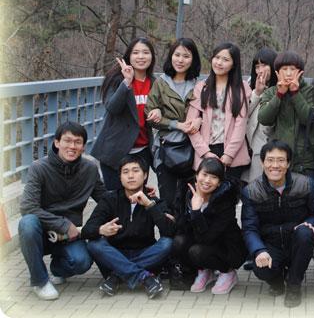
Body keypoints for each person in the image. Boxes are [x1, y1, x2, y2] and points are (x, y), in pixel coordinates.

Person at [18, 121, 105, 300]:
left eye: (78, 142)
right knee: (27, 223)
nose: (72, 146)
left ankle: (57, 269)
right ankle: (40, 281)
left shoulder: (89, 169)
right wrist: (63, 224)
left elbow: (105, 199)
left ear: (83, 146)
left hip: (70, 236)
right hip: (43, 232)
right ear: (57, 142)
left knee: (82, 262)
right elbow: (28, 206)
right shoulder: (39, 168)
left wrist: (134, 193)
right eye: (67, 141)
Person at [82, 154, 174, 299]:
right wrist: (101, 229)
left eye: (135, 171)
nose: (130, 176)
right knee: (94, 244)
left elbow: (169, 231)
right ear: (120, 177)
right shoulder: (110, 199)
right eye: (125, 172)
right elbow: (87, 230)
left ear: (145, 175)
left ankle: (117, 276)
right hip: (115, 254)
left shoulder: (154, 201)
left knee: (167, 243)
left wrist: (149, 205)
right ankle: (144, 277)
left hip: (146, 253)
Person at [241, 140, 314, 307]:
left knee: (306, 233)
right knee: (260, 267)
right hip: (271, 243)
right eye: (270, 160)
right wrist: (259, 250)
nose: (275, 165)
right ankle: (276, 282)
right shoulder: (251, 191)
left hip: (296, 240)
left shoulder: (306, 184)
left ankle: (294, 286)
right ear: (262, 163)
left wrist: (310, 223)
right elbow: (249, 228)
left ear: (288, 163)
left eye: (281, 160)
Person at [171, 157, 246, 296]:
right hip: (202, 241)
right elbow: (182, 227)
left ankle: (227, 272)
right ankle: (205, 270)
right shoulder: (186, 192)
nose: (207, 180)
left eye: (213, 177)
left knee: (196, 251)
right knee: (179, 242)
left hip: (226, 248)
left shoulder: (225, 200)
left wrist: (196, 212)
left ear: (219, 183)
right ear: (196, 175)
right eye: (204, 174)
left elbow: (208, 237)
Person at [144, 38, 202, 215]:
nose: (180, 60)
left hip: (192, 150)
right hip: (166, 149)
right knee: (168, 201)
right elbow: (150, 117)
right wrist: (176, 124)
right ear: (171, 56)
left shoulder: (199, 85)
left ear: (193, 59)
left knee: (190, 201)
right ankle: (168, 231)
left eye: (186, 56)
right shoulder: (161, 83)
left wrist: (200, 120)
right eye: (177, 55)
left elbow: (208, 112)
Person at [91, 37, 156, 190]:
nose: (141, 57)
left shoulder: (154, 82)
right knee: (115, 198)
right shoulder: (116, 79)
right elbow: (112, 108)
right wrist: (126, 82)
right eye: (136, 53)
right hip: (116, 150)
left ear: (152, 57)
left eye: (145, 52)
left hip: (142, 150)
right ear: (129, 56)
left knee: (137, 197)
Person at [186, 42, 251, 177]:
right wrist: (205, 152)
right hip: (206, 151)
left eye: (225, 59)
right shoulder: (201, 87)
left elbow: (241, 125)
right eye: (217, 57)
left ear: (234, 64)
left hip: (232, 155)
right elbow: (190, 126)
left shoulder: (241, 88)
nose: (219, 63)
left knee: (229, 190)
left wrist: (229, 154)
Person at [257, 51, 314, 178]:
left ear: (300, 72)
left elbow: (310, 119)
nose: (288, 73)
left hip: (305, 159)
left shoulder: (310, 91)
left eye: (292, 69)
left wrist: (295, 93)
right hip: (279, 157)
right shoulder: (271, 92)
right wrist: (279, 95)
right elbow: (264, 118)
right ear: (277, 72)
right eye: (284, 69)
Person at [242, 46, 277, 184]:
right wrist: (256, 93)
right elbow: (242, 114)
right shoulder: (248, 86)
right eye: (257, 66)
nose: (260, 70)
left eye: (264, 65)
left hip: (267, 150)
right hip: (247, 149)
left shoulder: (279, 90)